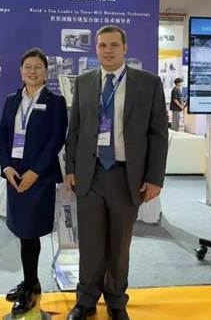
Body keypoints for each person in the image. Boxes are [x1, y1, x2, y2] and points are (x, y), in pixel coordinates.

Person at [64, 26, 168, 320]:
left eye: (113, 45)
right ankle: (85, 300)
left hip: (126, 176)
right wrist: (70, 168)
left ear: (125, 48)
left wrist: (155, 178)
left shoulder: (148, 83)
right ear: (95, 49)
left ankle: (116, 301)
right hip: (90, 174)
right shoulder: (84, 82)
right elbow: (75, 130)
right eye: (101, 45)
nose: (107, 50)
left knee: (120, 245)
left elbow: (158, 134)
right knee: (90, 243)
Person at [0, 48, 68, 316]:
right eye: (28, 66)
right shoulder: (11, 99)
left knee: (31, 231)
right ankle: (31, 281)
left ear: (46, 72)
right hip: (14, 175)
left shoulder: (55, 102)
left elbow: (56, 139)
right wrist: (6, 167)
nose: (32, 71)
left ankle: (29, 286)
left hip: (38, 177)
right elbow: (2, 133)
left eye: (38, 67)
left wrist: (35, 172)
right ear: (21, 71)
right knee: (20, 230)